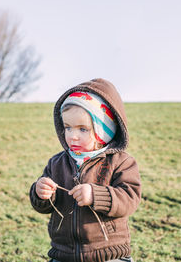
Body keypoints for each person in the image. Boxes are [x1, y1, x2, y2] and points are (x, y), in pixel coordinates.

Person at [29, 78, 141, 262]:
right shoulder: (57, 163)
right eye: (67, 127)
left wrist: (96, 195)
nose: (72, 136)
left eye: (83, 129)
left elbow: (130, 199)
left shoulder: (120, 162)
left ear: (103, 131)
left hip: (108, 254)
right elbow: (43, 206)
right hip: (64, 254)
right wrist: (40, 192)